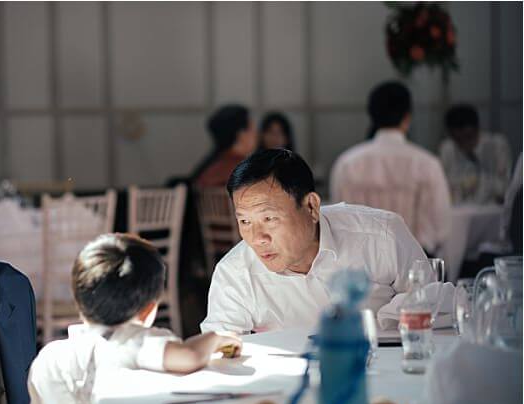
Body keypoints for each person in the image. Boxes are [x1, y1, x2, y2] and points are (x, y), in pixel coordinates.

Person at [200, 149, 429, 334]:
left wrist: (385, 320)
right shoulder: (235, 272)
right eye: (245, 221)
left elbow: (431, 305)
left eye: (269, 218)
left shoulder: (382, 236)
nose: (257, 238)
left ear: (311, 207)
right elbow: (220, 348)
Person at [28, 233, 242, 404]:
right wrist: (216, 338)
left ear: (78, 300)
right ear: (149, 309)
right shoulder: (133, 341)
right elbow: (190, 356)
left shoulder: (48, 358)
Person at [329, 81, 451, 255]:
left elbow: (337, 221)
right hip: (416, 261)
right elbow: (441, 226)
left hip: (361, 262)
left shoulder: (347, 163)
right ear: (407, 117)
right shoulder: (427, 163)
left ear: (371, 115)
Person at [439, 104, 513, 204]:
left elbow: (504, 184)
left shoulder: (497, 145)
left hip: (492, 208)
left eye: (468, 137)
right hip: (458, 208)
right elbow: (443, 184)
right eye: (458, 140)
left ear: (476, 129)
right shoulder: (448, 148)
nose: (464, 143)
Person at [189, 105, 258, 189]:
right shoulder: (244, 172)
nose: (257, 135)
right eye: (253, 130)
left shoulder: (210, 167)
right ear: (241, 135)